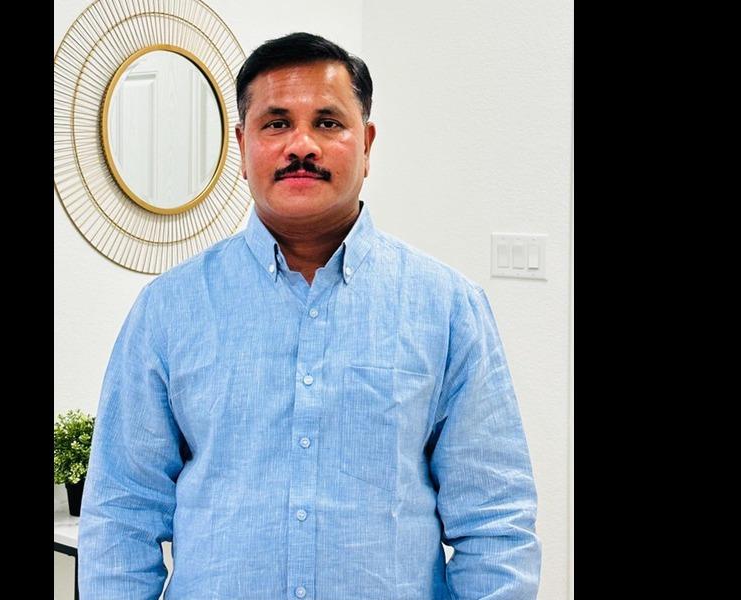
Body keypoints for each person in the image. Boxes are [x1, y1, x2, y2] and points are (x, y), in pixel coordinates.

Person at [79, 32, 541, 599]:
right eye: (276, 123)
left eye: (328, 122)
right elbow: (121, 514)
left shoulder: (448, 308)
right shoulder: (168, 310)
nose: (302, 145)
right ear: (242, 145)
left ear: (366, 144)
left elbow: (495, 522)